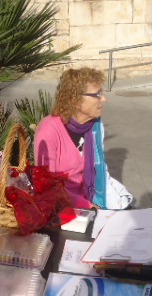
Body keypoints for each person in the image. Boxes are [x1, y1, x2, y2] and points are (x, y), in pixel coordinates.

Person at [34, 67, 133, 210]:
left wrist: (116, 206)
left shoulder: (95, 126)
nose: (104, 99)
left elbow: (100, 172)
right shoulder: (49, 129)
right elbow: (48, 186)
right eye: (97, 94)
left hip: (89, 197)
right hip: (61, 207)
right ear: (75, 99)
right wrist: (88, 206)